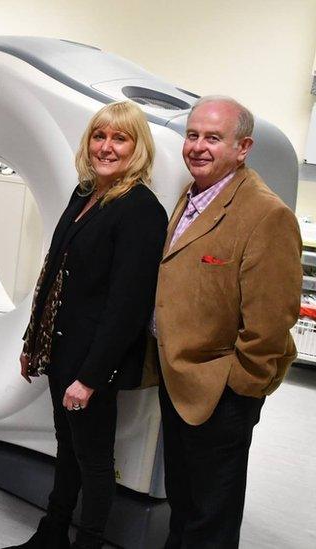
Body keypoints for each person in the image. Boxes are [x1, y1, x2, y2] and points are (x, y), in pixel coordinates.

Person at [11, 100, 167, 549]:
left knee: (95, 460)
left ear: (137, 148)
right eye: (99, 136)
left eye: (120, 138)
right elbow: (54, 270)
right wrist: (32, 343)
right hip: (63, 347)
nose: (106, 147)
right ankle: (53, 533)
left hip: (94, 361)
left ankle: (89, 542)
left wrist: (91, 377)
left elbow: (127, 306)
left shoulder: (140, 210)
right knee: (69, 452)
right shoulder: (86, 194)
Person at [154, 96, 301, 548]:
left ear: (243, 148)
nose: (197, 147)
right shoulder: (193, 194)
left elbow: (272, 322)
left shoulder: (266, 214)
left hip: (222, 388)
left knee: (210, 517)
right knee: (183, 499)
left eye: (213, 138)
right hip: (178, 375)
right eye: (193, 135)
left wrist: (238, 386)